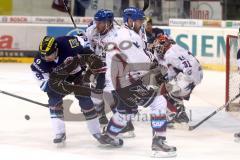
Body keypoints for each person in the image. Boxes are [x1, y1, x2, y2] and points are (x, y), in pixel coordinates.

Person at [100, 13, 177, 157]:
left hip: (114, 83)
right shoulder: (129, 36)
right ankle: (158, 143)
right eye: (139, 21)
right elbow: (141, 62)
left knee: (126, 110)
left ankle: (109, 135)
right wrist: (154, 62)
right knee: (159, 102)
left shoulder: (120, 33)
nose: (141, 23)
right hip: (124, 83)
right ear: (129, 20)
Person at [30, 35, 107, 145]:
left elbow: (84, 39)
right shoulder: (39, 62)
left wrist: (89, 56)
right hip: (56, 79)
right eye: (43, 56)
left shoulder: (68, 43)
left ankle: (96, 132)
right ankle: (59, 133)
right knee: (54, 101)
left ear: (56, 49)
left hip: (77, 73)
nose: (46, 58)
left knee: (85, 100)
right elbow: (44, 84)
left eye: (48, 55)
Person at [153, 35, 203, 125]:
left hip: (187, 80)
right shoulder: (177, 47)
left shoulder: (168, 56)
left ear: (164, 45)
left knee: (161, 91)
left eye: (159, 46)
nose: (158, 49)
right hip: (198, 75)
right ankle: (180, 111)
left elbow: (170, 75)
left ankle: (176, 114)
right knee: (174, 90)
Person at [85, 9, 119, 126]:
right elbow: (87, 45)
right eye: (96, 21)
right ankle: (101, 118)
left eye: (100, 22)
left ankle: (123, 123)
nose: (97, 25)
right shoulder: (91, 30)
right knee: (95, 94)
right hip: (96, 67)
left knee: (110, 94)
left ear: (109, 23)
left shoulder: (116, 35)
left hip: (111, 67)